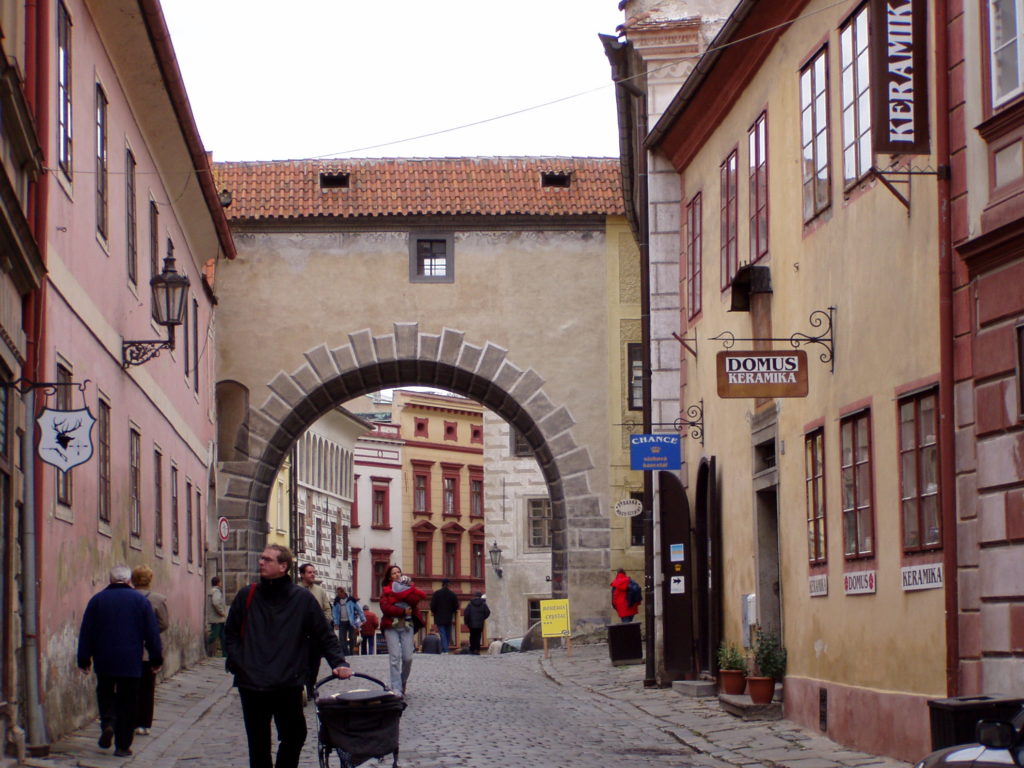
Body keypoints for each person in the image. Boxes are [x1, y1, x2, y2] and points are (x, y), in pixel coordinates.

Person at [225, 545, 352, 768]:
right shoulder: (248, 595)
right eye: (261, 558)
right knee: (258, 744)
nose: (261, 562)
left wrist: (338, 662)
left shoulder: (301, 599)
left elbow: (323, 634)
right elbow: (231, 633)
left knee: (295, 735)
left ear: (283, 566)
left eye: (267, 559)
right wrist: (240, 661)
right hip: (252, 683)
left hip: (286, 682)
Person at [77, 565, 162, 758]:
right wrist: (156, 658)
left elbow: (87, 631)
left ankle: (108, 723)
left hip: (104, 658)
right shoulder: (140, 601)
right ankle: (123, 745)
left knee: (105, 693)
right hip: (131, 660)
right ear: (129, 580)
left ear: (110, 579)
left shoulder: (97, 600)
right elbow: (152, 633)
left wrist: (84, 659)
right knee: (128, 701)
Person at [131, 565, 168, 737]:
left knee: (130, 688)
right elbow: (164, 624)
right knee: (147, 689)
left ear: (133, 579)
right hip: (148, 650)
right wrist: (150, 631)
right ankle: (144, 724)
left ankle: (130, 721)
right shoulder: (158, 599)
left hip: (129, 649)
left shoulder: (127, 597)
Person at [378, 565, 426, 696]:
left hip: (407, 626)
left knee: (408, 658)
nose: (397, 575)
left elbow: (415, 600)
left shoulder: (408, 587)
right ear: (390, 577)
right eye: (394, 573)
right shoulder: (386, 591)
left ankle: (402, 681)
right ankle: (396, 687)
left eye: (398, 572)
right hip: (391, 626)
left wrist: (405, 592)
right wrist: (402, 611)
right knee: (394, 658)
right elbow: (385, 608)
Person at [297, 563, 333, 700]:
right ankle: (303, 687)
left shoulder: (319, 591)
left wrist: (324, 623)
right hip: (300, 634)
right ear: (302, 575)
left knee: (314, 662)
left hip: (316, 633)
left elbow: (327, 609)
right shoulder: (296, 590)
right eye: (309, 572)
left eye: (313, 572)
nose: (312, 575)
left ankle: (311, 685)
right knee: (301, 662)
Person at [429, 578, 460, 653]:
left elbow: (432, 605)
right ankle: (445, 648)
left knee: (442, 633)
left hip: (439, 617)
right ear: (448, 585)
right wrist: (452, 611)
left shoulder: (437, 593)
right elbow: (456, 606)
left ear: (442, 584)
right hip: (449, 616)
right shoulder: (452, 594)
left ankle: (445, 650)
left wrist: (435, 612)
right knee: (448, 633)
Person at [207, 576, 227, 656]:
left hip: (218, 619)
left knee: (223, 636)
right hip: (217, 618)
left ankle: (225, 654)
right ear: (218, 583)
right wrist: (222, 612)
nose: (221, 583)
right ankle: (203, 648)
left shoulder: (211, 591)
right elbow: (215, 602)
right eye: (220, 582)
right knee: (214, 635)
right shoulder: (216, 591)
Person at [332, 587, 351, 654]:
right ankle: (345, 653)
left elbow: (357, 609)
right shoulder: (336, 601)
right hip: (342, 621)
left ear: (343, 592)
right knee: (342, 638)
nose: (338, 595)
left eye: (339, 593)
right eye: (337, 593)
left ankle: (351, 651)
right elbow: (335, 613)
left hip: (350, 621)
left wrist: (361, 620)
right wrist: (336, 623)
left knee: (352, 637)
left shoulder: (350, 600)